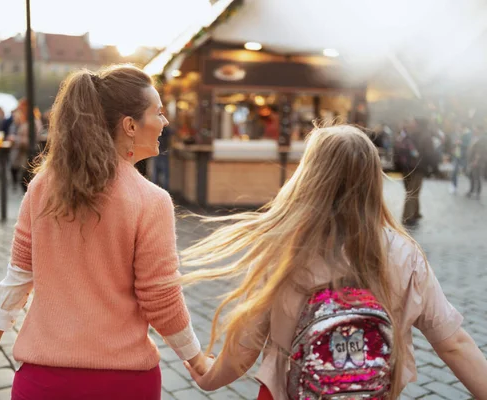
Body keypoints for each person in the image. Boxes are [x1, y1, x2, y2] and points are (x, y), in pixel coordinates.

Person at [178, 125, 487, 400]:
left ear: (310, 175)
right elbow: (453, 343)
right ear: (372, 179)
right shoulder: (405, 254)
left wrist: (209, 380)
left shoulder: (285, 247)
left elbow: (245, 348)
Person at [0, 65, 212, 399]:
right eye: (159, 112)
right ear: (129, 125)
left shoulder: (42, 186)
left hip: (42, 379)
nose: (165, 123)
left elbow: (20, 275)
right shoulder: (151, 201)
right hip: (120, 382)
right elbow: (161, 298)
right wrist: (197, 360)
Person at [466, 126, 486, 199]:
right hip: (473, 160)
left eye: (476, 130)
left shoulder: (482, 139)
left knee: (477, 176)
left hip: (478, 161)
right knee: (471, 175)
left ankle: (477, 192)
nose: (474, 131)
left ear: (480, 130)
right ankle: (472, 190)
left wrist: (475, 161)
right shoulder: (475, 137)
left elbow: (480, 151)